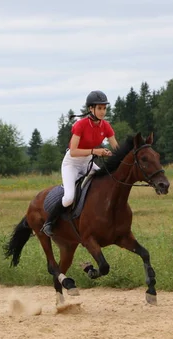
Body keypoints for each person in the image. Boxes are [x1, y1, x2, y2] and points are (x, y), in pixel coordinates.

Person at [41, 90, 119, 237]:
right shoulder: (80, 125)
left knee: (104, 185)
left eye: (104, 108)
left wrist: (111, 154)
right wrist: (95, 152)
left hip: (88, 163)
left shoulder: (106, 126)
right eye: (100, 108)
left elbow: (117, 148)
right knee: (69, 197)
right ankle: (49, 223)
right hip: (72, 164)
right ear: (91, 109)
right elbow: (73, 151)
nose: (103, 111)